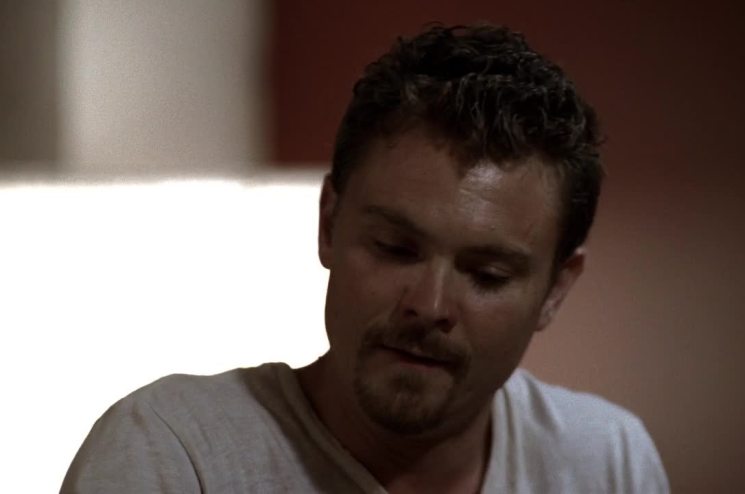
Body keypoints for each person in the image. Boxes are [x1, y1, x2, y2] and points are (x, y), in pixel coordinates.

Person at [62, 24, 669, 493]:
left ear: (556, 290)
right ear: (329, 223)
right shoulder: (174, 453)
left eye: (487, 275)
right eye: (396, 249)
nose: (429, 305)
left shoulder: (607, 461)